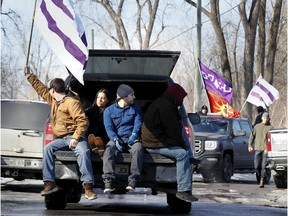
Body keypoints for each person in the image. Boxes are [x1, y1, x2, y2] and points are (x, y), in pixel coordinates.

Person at [24, 67, 97, 200]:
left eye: (49, 89)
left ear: (53, 90)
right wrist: (29, 76)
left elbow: (83, 121)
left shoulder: (72, 103)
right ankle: (49, 183)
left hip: (77, 137)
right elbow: (41, 89)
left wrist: (75, 138)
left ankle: (88, 187)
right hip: (63, 139)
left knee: (83, 152)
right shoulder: (54, 101)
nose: (48, 91)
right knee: (48, 149)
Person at [141, 83, 198, 202]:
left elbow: (172, 131)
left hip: (154, 141)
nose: (181, 101)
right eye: (181, 98)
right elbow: (173, 131)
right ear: (176, 96)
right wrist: (184, 148)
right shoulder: (167, 107)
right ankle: (183, 190)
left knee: (183, 149)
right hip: (154, 145)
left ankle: (189, 159)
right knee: (182, 154)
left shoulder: (162, 103)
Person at [102, 84, 144, 193]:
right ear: (124, 97)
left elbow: (138, 123)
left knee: (138, 148)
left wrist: (134, 134)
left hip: (131, 139)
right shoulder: (109, 111)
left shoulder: (136, 108)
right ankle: (108, 181)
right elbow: (109, 128)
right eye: (132, 95)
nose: (134, 97)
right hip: (116, 139)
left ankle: (133, 180)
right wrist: (115, 139)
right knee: (109, 149)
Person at [248, 112, 272, 188]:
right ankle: (260, 176)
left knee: (263, 166)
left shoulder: (270, 128)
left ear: (268, 119)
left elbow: (270, 140)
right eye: (264, 118)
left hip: (265, 150)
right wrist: (250, 146)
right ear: (262, 118)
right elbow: (252, 137)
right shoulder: (257, 127)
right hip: (257, 149)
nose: (265, 119)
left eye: (267, 118)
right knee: (257, 166)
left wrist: (267, 149)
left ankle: (262, 181)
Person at [86, 89, 111, 155]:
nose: (100, 100)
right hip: (91, 136)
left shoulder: (110, 112)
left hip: (104, 137)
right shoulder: (89, 111)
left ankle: (100, 147)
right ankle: (94, 146)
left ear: (107, 100)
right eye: (98, 97)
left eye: (103, 98)